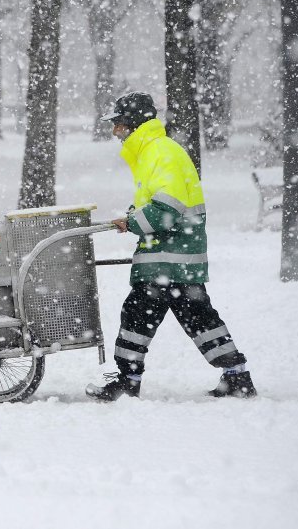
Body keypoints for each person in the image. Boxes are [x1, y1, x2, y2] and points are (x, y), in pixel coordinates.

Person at [86, 92, 257, 401]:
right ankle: (236, 375)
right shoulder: (155, 152)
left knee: (137, 314)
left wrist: (135, 222)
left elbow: (167, 209)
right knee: (199, 316)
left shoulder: (160, 152)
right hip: (178, 256)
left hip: (167, 258)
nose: (115, 133)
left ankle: (128, 379)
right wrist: (132, 216)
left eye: (120, 125)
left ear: (136, 123)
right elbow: (157, 201)